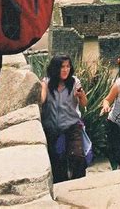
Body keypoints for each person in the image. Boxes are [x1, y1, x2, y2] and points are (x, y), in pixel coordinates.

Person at [41, 55, 88, 184]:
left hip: (72, 125)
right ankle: (61, 186)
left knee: (77, 156)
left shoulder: (74, 82)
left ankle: (79, 185)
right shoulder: (46, 82)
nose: (65, 70)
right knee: (56, 160)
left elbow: (84, 103)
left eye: (68, 66)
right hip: (51, 127)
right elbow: (42, 98)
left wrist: (81, 95)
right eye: (62, 67)